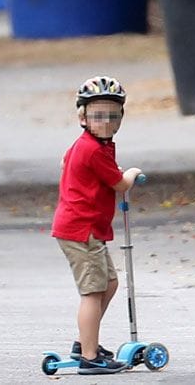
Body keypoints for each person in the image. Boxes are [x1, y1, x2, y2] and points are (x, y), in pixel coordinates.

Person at [51, 76, 141, 374]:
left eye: (112, 115)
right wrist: (132, 172)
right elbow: (119, 184)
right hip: (82, 230)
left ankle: (84, 342)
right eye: (97, 115)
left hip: (84, 229)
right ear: (83, 117)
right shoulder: (92, 149)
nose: (105, 122)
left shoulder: (88, 146)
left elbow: (68, 165)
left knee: (109, 283)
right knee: (92, 292)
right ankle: (89, 358)